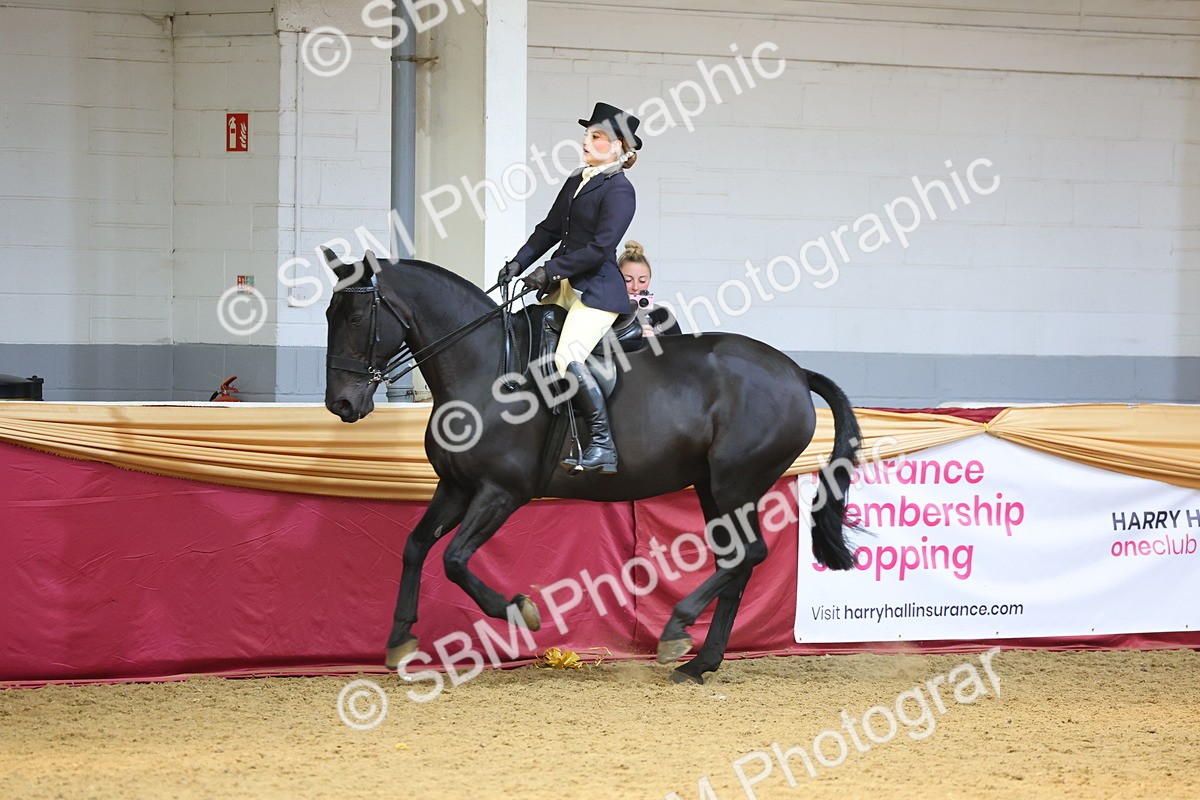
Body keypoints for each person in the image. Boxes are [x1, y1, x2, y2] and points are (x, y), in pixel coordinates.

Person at [498, 102, 643, 475]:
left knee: (566, 360)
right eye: (586, 135)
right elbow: (548, 230)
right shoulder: (578, 180)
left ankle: (602, 446)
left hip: (595, 290)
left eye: (596, 136)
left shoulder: (620, 191)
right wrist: (519, 263)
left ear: (618, 147)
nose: (586, 141)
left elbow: (599, 249)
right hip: (563, 284)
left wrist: (549, 270)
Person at [617, 240, 683, 337]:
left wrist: (654, 341)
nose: (635, 287)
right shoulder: (608, 315)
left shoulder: (662, 314)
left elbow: (681, 349)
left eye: (642, 281)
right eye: (628, 280)